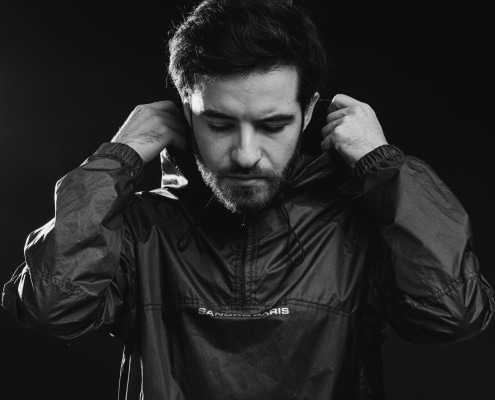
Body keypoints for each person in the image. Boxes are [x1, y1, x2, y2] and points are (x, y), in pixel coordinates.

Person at [2, 0, 494, 399]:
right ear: (185, 113)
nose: (244, 155)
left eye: (273, 125)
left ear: (308, 113)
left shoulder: (357, 228)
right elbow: (52, 307)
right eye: (218, 124)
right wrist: (119, 157)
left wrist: (382, 164)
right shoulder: (138, 228)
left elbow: (453, 314)